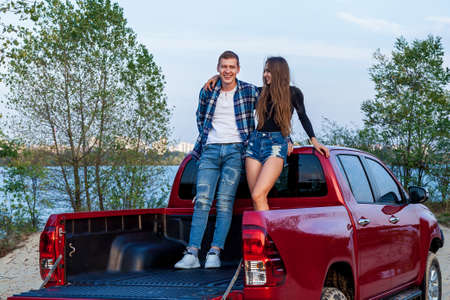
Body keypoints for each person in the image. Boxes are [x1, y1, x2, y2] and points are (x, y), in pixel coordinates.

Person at [205, 56, 329, 211]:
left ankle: (265, 235)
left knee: (258, 194)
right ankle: (262, 235)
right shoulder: (259, 93)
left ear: (278, 72)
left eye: (269, 71)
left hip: (277, 144)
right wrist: (217, 77)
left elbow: (303, 116)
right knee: (256, 198)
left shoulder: (293, 93)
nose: (265, 75)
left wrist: (314, 141)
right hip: (254, 143)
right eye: (265, 71)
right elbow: (237, 85)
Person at [174, 51, 259, 269]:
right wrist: (206, 137)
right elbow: (200, 116)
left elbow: (272, 107)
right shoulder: (208, 91)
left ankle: (214, 252)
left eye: (231, 67)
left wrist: (284, 137)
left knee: (224, 202)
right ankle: (192, 253)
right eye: (224, 67)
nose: (227, 70)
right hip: (210, 150)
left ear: (238, 69)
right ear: (218, 68)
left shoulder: (249, 91)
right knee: (202, 200)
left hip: (235, 151)